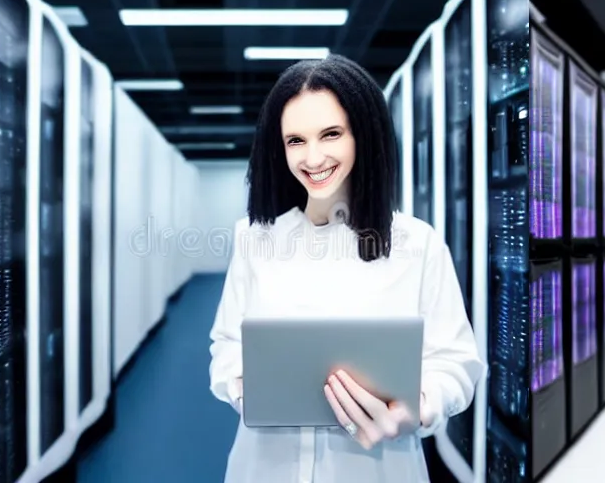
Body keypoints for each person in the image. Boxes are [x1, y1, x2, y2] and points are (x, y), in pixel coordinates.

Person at [208, 55, 485, 481]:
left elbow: (457, 362)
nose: (313, 157)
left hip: (378, 465)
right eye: (295, 141)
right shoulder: (255, 240)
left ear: (364, 135)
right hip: (266, 466)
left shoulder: (417, 244)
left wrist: (419, 408)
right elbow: (226, 346)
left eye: (331, 134)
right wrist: (247, 390)